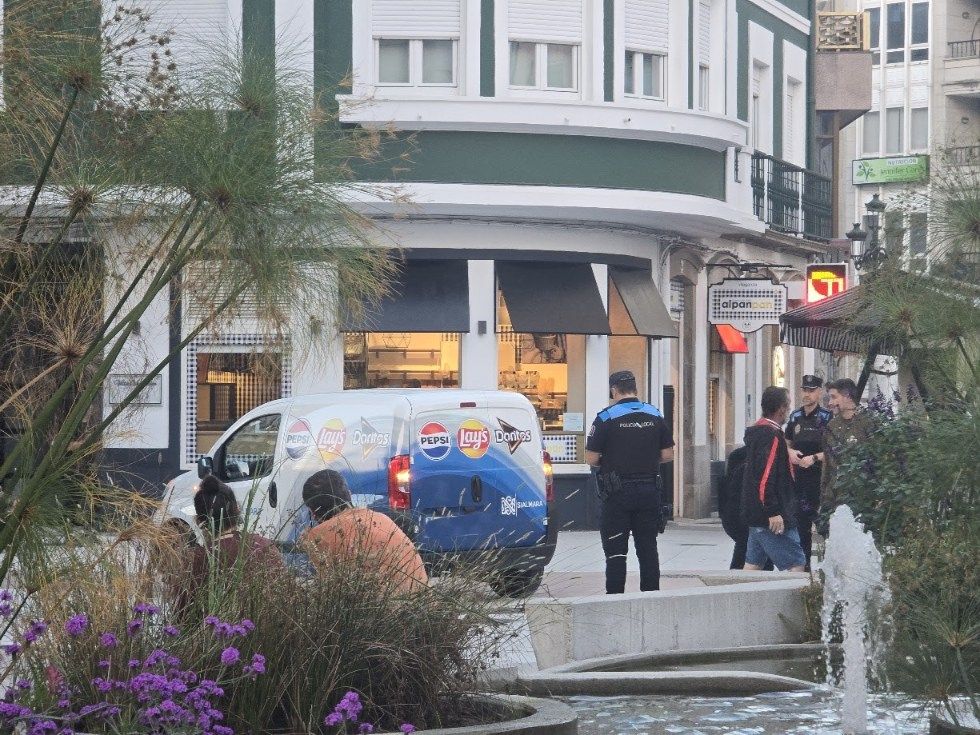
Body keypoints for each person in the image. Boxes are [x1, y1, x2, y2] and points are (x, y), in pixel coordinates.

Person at [585, 370, 674, 594]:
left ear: (614, 390)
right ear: (635, 389)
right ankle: (651, 597)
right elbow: (667, 455)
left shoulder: (605, 418)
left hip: (617, 493)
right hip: (649, 490)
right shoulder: (654, 414)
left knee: (616, 552)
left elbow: (591, 458)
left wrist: (613, 459)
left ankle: (615, 599)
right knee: (648, 549)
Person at [301, 469, 428, 594]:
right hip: (420, 601)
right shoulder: (381, 518)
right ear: (349, 494)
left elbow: (328, 590)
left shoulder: (317, 537)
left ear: (313, 512)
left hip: (382, 606)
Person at [174, 475, 286, 610]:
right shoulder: (265, 545)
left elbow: (182, 614)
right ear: (237, 509)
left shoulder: (198, 560)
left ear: (199, 521)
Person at [740, 386, 806, 572]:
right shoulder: (772, 436)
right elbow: (765, 474)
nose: (789, 409)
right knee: (796, 564)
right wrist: (773, 511)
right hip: (771, 515)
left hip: (756, 512)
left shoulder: (758, 432)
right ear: (781, 409)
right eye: (788, 405)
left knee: (753, 565)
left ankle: (741, 591)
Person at [785, 375, 832, 571]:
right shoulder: (795, 417)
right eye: (804, 390)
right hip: (798, 480)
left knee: (824, 526)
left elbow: (833, 450)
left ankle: (827, 567)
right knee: (801, 525)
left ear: (819, 392)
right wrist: (790, 453)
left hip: (820, 480)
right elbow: (786, 443)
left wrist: (814, 458)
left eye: (811, 391)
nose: (807, 394)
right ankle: (804, 567)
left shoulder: (827, 418)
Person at [815, 378, 877, 518]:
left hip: (860, 499)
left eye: (834, 397)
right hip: (833, 498)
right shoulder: (831, 426)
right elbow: (827, 464)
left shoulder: (867, 423)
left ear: (847, 396)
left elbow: (878, 460)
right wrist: (823, 497)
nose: (830, 403)